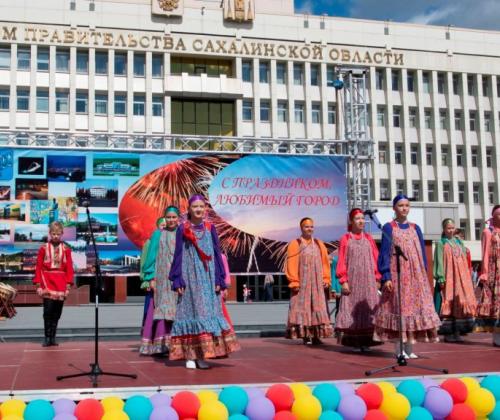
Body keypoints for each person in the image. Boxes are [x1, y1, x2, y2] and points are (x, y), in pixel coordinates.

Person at [169, 195, 239, 369]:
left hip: (208, 276)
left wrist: (219, 278)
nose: (198, 209)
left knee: (207, 313)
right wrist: (178, 279)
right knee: (191, 312)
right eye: (195, 206)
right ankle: (190, 355)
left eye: (201, 206)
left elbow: (216, 253)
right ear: (189, 209)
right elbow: (178, 254)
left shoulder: (210, 227)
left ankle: (202, 355)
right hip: (190, 275)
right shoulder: (182, 228)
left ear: (205, 209)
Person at [374, 194, 440, 358]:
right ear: (394, 208)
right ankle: (399, 349)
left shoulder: (416, 228)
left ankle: (410, 348)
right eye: (401, 205)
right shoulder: (389, 228)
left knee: (415, 309)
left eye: (407, 205)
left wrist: (423, 273)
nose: (404, 208)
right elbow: (384, 253)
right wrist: (386, 276)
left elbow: (422, 253)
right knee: (399, 308)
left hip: (416, 275)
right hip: (398, 275)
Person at [335, 208, 381, 350]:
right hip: (353, 281)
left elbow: (376, 258)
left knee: (368, 309)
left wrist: (377, 277)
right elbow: (341, 261)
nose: (361, 221)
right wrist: (343, 280)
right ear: (351, 221)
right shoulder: (345, 238)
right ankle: (354, 342)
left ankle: (367, 341)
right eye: (357, 219)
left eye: (362, 218)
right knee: (352, 309)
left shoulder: (369, 238)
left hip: (368, 281)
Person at [285, 217, 333, 345]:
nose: (309, 229)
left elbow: (325, 262)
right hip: (302, 283)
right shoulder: (295, 244)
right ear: (301, 228)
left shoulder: (319, 243)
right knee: (302, 307)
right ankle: (305, 336)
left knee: (317, 306)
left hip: (317, 284)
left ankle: (316, 335)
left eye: (311, 226)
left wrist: (326, 278)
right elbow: (291, 263)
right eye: (306, 227)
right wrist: (294, 281)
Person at [140, 208, 179, 356]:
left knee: (177, 309)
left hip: (177, 278)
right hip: (161, 278)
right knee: (160, 309)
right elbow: (151, 257)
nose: (171, 220)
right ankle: (160, 345)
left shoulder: (182, 233)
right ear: (164, 218)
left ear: (178, 218)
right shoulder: (158, 234)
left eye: (174, 217)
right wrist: (151, 277)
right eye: (168, 217)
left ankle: (176, 345)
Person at [433, 218, 477, 342]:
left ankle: (458, 331)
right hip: (449, 277)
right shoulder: (441, 243)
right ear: (444, 229)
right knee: (448, 301)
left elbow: (464, 259)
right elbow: (439, 261)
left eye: (452, 228)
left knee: (460, 301)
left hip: (461, 278)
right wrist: (440, 277)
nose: (451, 230)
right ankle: (448, 333)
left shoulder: (458, 242)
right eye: (448, 228)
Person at [33, 221, 74, 347]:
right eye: (53, 234)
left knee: (57, 312)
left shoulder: (66, 249)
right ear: (50, 233)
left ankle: (53, 337)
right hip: (47, 281)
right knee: (48, 311)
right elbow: (38, 266)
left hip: (61, 282)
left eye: (58, 234)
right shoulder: (43, 248)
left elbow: (69, 267)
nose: (56, 236)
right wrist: (38, 284)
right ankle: (47, 337)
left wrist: (68, 284)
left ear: (62, 234)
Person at [476, 205, 500, 347]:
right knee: (495, 304)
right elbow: (485, 253)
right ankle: (496, 336)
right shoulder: (488, 232)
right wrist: (484, 272)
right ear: (494, 216)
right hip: (494, 272)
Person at [329, 249, 342, 320]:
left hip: (348, 288)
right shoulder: (336, 260)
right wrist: (333, 289)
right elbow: (333, 274)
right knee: (339, 308)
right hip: (338, 287)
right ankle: (337, 323)